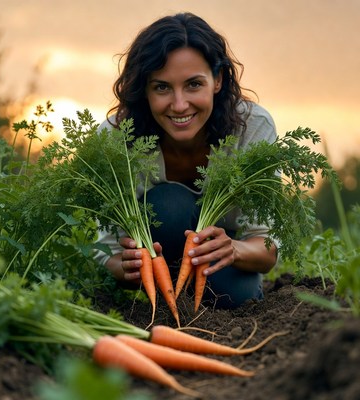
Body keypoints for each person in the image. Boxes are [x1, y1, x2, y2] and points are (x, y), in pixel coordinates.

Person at [94, 12, 278, 309]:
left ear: (217, 79)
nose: (179, 105)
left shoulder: (252, 128)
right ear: (145, 90)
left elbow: (266, 250)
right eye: (162, 87)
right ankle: (165, 302)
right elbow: (107, 254)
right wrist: (125, 267)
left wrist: (233, 249)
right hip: (151, 274)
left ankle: (189, 302)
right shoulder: (116, 138)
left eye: (193, 84)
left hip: (217, 266)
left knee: (238, 296)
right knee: (167, 205)